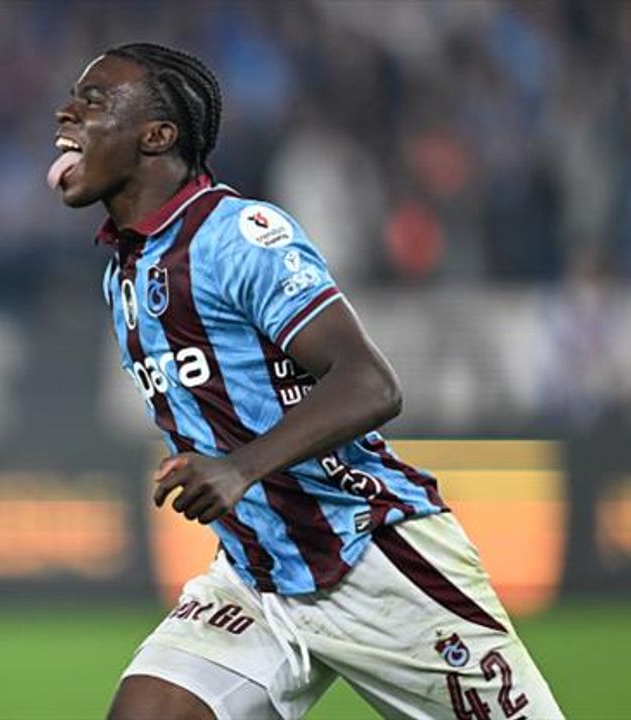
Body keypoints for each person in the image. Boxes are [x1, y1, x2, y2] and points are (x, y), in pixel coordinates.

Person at [49, 43, 563, 720]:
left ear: (158, 135)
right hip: (257, 580)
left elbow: (370, 383)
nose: (67, 112)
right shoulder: (127, 269)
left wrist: (239, 468)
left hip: (371, 560)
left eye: (93, 100)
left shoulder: (238, 236)